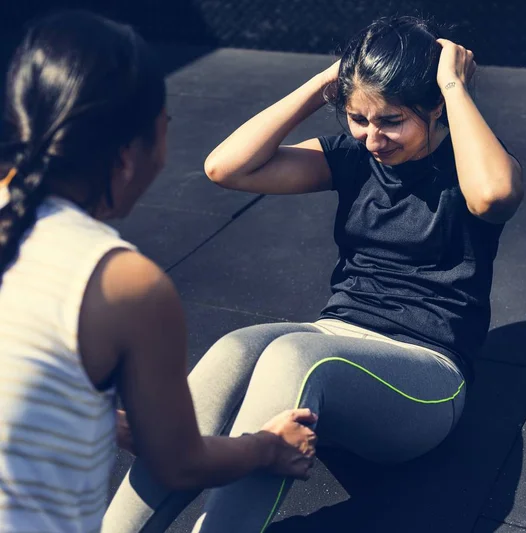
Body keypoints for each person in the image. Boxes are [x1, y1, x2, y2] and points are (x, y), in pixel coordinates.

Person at [103, 15, 523, 533]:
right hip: (337, 340)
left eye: (392, 120)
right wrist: (325, 84)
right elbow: (224, 168)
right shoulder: (352, 160)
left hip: (426, 376)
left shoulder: (471, 164)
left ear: (436, 107)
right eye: (358, 118)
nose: (373, 139)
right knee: (236, 348)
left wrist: (454, 84)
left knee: (295, 356)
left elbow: (495, 197)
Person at [0, 10, 318, 533]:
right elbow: (180, 463)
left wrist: (108, 419)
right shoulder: (125, 285)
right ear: (129, 153)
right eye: (165, 129)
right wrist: (266, 446)